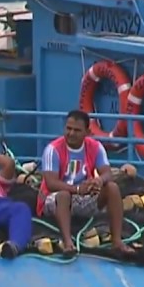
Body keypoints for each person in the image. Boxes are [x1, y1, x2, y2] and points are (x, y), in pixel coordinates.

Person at [38, 109, 129, 255]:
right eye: (68, 129)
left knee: (112, 188)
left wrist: (99, 181)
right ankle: (68, 243)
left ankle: (117, 241)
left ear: (87, 132)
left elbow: (107, 173)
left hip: (83, 197)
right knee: (63, 195)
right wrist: (78, 189)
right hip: (55, 199)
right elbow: (51, 183)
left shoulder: (96, 147)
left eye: (77, 130)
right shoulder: (52, 149)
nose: (71, 133)